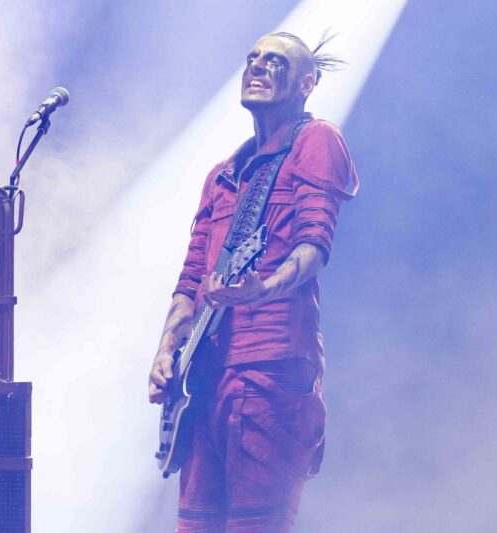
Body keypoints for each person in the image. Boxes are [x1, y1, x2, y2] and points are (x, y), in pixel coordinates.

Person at [148, 31, 359, 532]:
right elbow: (191, 278)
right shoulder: (223, 174)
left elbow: (314, 245)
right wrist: (166, 348)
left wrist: (263, 288)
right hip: (205, 376)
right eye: (253, 58)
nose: (258, 66)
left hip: (269, 370)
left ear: (306, 83)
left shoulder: (316, 140)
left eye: (275, 61)